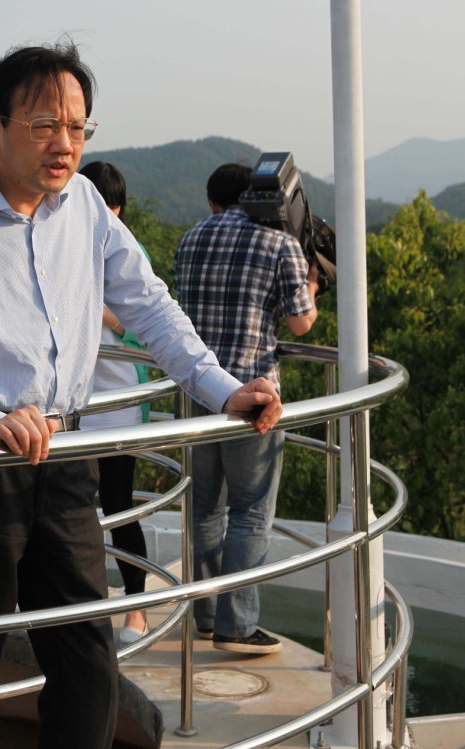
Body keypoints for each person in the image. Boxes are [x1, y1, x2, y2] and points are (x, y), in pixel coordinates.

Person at [0, 41, 285, 749]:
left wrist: (222, 390)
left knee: (87, 659)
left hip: (67, 456)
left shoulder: (87, 206)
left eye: (77, 127)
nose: (64, 144)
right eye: (44, 125)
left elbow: (151, 307)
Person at [173, 163, 320, 655]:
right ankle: (236, 626)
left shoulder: (192, 238)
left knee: (204, 509)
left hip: (197, 394)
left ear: (213, 201)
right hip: (253, 399)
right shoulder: (279, 243)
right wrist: (313, 286)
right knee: (251, 511)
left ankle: (205, 616)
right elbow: (301, 324)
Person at [77, 161, 151, 646]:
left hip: (119, 405)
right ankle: (83, 608)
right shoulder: (59, 246)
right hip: (74, 409)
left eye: (110, 205)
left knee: (120, 508)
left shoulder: (130, 253)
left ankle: (135, 607)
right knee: (72, 514)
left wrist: (105, 314)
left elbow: (148, 327)